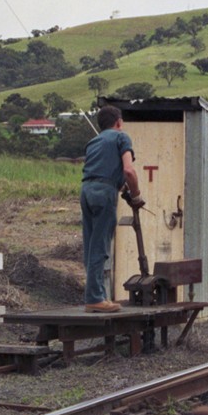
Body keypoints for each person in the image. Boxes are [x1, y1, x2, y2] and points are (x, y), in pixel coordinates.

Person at [81, 105, 143, 313]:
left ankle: (94, 295)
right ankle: (95, 298)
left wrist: (120, 186)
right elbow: (129, 170)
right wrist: (136, 195)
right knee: (101, 246)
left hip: (86, 190)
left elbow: (102, 171)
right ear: (118, 122)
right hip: (104, 194)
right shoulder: (121, 137)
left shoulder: (93, 142)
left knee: (91, 246)